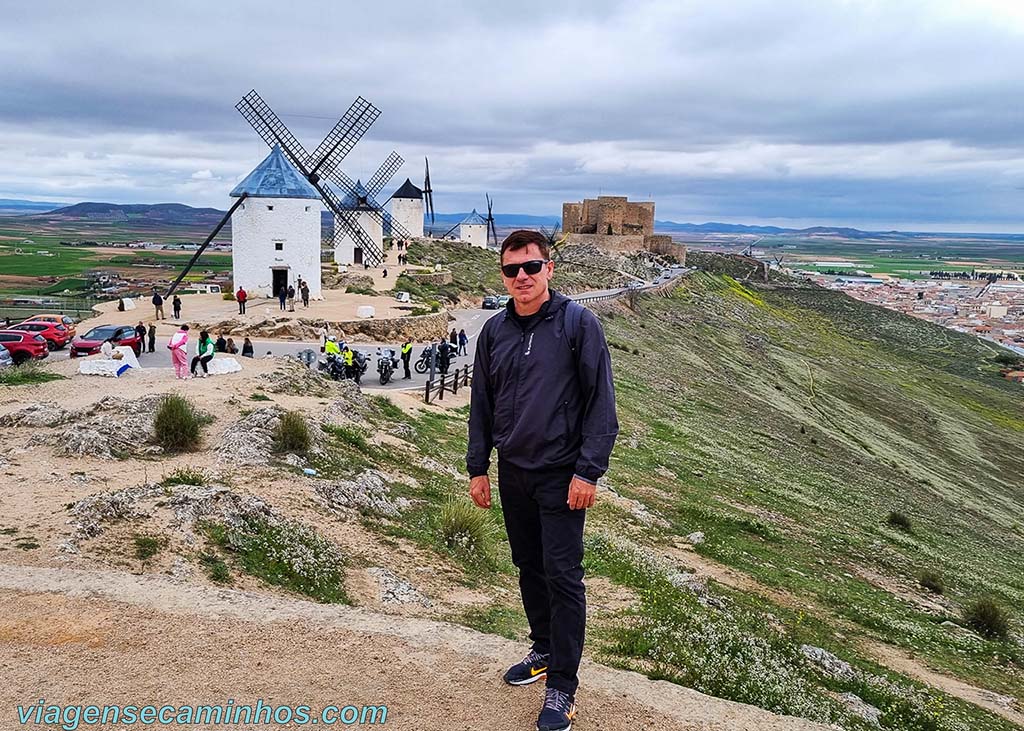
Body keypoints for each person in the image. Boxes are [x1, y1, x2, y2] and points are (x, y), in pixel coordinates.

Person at [466, 230, 618, 731]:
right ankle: (544, 649)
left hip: (561, 477)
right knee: (528, 565)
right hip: (513, 474)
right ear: (503, 275)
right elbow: (482, 404)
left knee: (563, 576)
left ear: (549, 269)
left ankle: (562, 690)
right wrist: (478, 467)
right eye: (512, 270)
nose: (522, 278)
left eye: (531, 267)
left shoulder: (578, 325)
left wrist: (587, 471)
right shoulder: (494, 332)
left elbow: (602, 404)